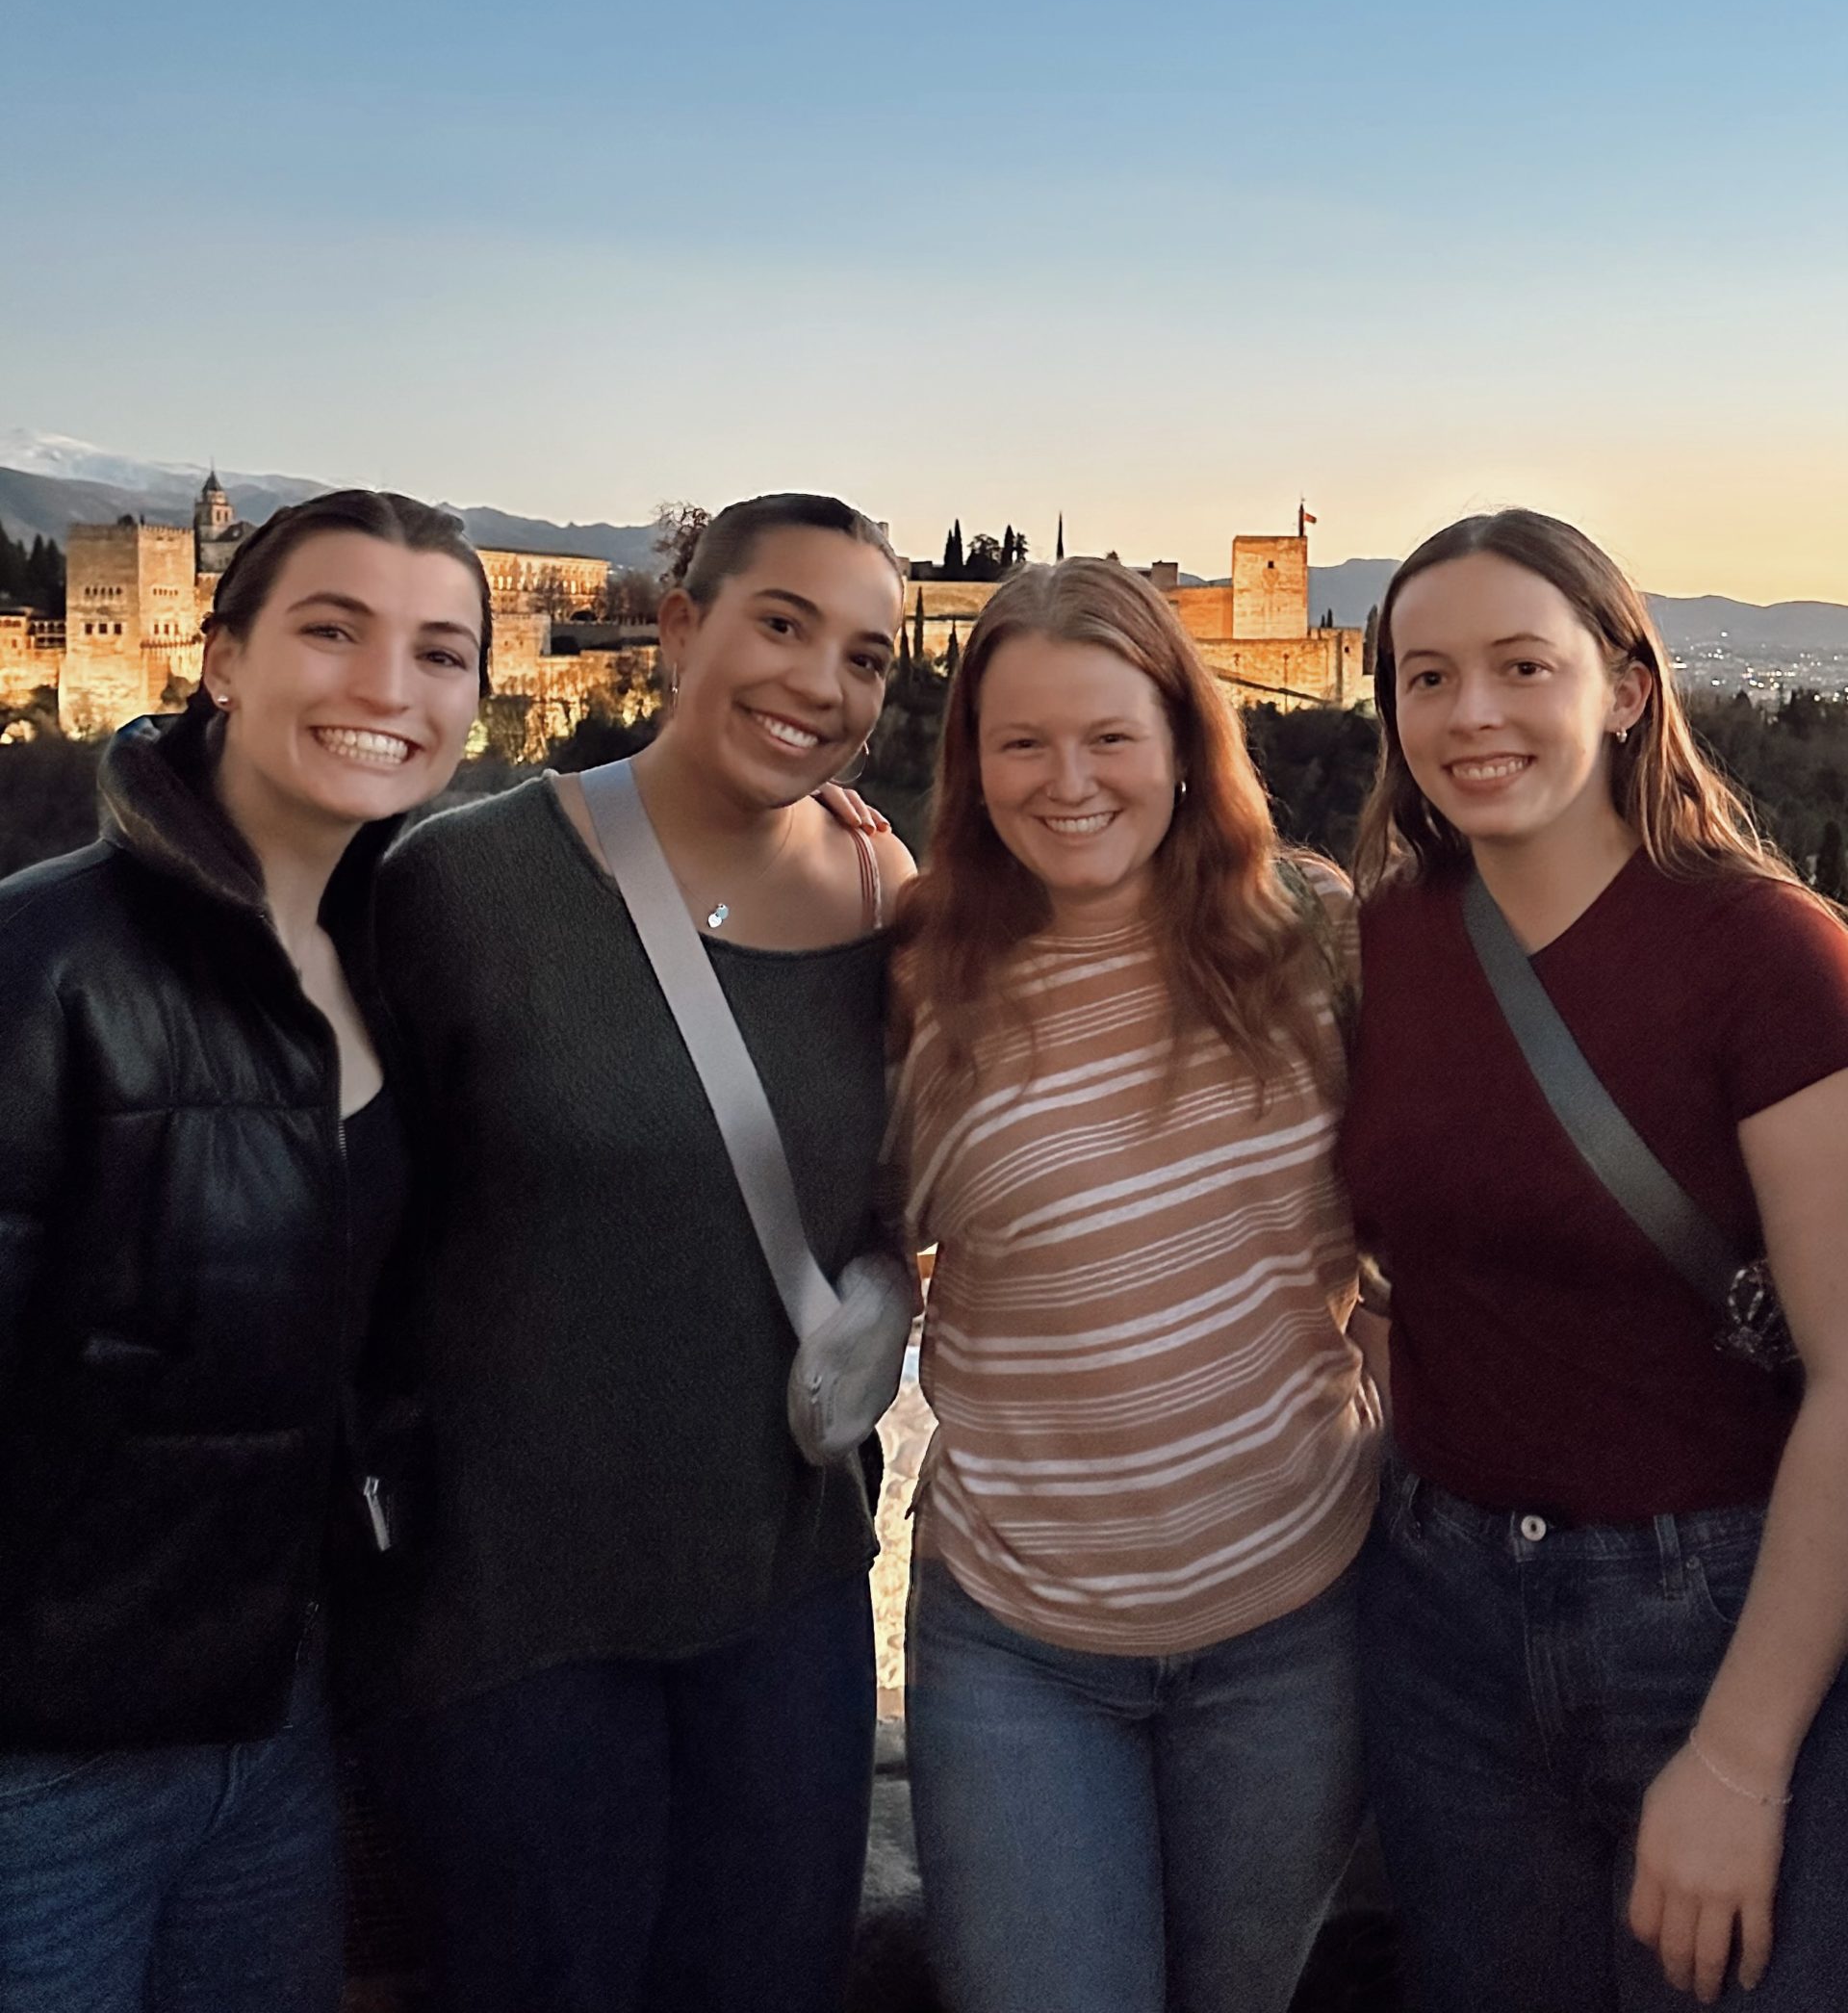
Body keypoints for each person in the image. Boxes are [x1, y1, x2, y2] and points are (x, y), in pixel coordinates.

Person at [368, 492, 915, 2013]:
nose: (820, 684)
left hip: (787, 1595)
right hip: (516, 1614)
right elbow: (351, 1224)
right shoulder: (467, 887)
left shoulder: (896, 903)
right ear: (681, 627)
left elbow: (923, 1195)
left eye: (866, 657)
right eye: (783, 624)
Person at [1342, 507, 1848, 2013]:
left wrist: (1743, 1759)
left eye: (1520, 666)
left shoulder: (1765, 957)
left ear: (1626, 687)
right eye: (1425, 678)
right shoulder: (1383, 945)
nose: (1470, 714)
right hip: (1438, 1616)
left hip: (1712, 1614)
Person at [0, 490, 490, 2013]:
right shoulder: (47, 962)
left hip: (276, 1733)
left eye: (440, 653)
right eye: (331, 631)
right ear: (218, 658)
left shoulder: (388, 965)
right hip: (44, 1764)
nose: (386, 691)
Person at [891, 555, 1377, 2013]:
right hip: (1016, 1642)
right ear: (972, 764)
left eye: (1110, 736)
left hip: (1295, 1620)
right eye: (1021, 741)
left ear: (1183, 742)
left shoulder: (1313, 928)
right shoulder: (911, 968)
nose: (1068, 780)